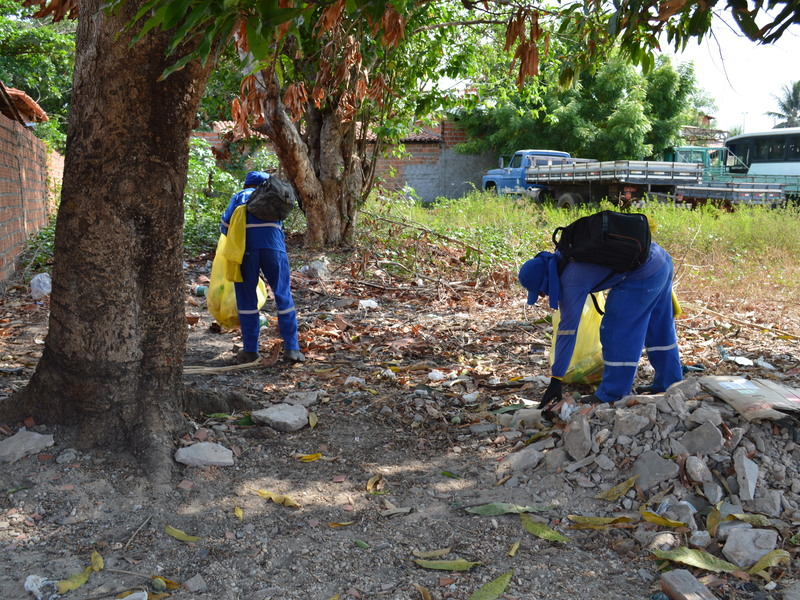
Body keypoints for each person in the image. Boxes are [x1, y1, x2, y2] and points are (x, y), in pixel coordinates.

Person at [518, 240, 682, 406]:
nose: (543, 295)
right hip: (660, 259)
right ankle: (670, 383)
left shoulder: (570, 281)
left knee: (616, 331)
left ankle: (613, 393)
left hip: (643, 272)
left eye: (540, 291)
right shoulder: (565, 254)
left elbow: (567, 332)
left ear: (545, 280)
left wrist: (556, 379)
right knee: (659, 327)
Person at [220, 171, 305, 364]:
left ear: (246, 184)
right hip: (275, 250)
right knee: (283, 295)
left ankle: (250, 351)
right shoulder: (273, 198)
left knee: (247, 298)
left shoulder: (241, 196)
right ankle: (292, 348)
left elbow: (225, 225)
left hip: (245, 252)